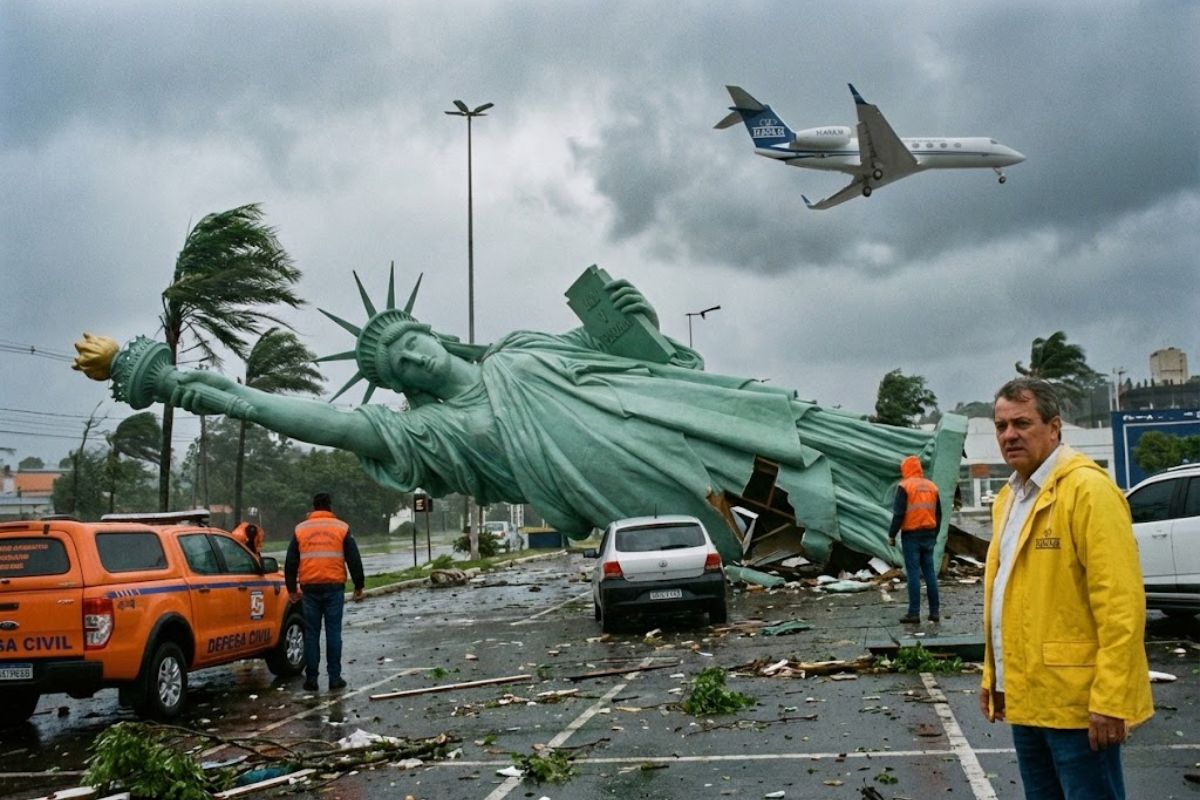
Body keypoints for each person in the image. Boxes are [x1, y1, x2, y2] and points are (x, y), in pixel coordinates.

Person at [83, 272, 965, 569]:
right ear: (401, 389)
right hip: (620, 481)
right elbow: (309, 418)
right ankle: (874, 537)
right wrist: (176, 384)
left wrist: (636, 311)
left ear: (435, 335)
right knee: (760, 511)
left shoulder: (520, 346)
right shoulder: (422, 437)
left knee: (783, 426)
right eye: (397, 367)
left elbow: (631, 354)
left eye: (415, 342)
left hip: (664, 413)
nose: (415, 358)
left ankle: (912, 470)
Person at [979, 378, 1152, 799]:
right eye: (1001, 426)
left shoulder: (1088, 492)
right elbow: (1007, 595)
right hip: (1028, 699)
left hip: (1079, 707)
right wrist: (994, 676)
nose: (1009, 435)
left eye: (1022, 422)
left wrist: (1111, 698)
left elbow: (1120, 605)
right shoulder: (1010, 498)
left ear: (1055, 428)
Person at [285, 492, 365, 692]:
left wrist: (291, 589)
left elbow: (291, 561)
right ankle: (334, 678)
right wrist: (358, 585)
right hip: (333, 588)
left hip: (309, 588)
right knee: (333, 633)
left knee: (311, 634)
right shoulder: (342, 528)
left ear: (313, 507)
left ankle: (311, 679)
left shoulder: (300, 529)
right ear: (330, 507)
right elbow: (353, 559)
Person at [887, 455, 942, 624]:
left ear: (906, 469)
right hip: (929, 534)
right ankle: (934, 612)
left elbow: (899, 514)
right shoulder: (932, 487)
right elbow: (939, 514)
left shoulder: (905, 486)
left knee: (913, 575)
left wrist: (891, 535)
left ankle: (914, 613)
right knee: (930, 574)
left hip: (911, 535)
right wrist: (935, 533)